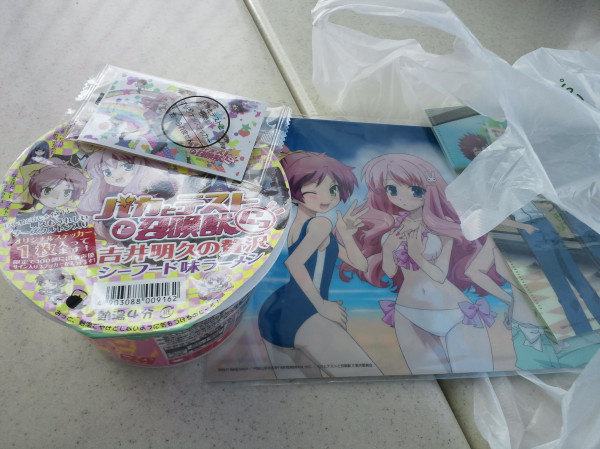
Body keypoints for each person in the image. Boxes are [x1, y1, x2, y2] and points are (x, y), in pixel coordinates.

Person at [340, 154, 497, 374]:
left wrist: (417, 255)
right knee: (426, 377)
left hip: (454, 311)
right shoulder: (395, 227)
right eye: (392, 189)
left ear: (429, 189)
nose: (402, 198)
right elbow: (390, 272)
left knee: (476, 375)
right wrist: (388, 249)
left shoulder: (443, 225)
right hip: (407, 311)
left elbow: (440, 275)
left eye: (414, 190)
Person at [257, 151, 382, 378]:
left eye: (333, 189)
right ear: (293, 192)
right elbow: (294, 263)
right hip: (306, 311)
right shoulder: (320, 224)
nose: (327, 197)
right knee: (367, 377)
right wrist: (322, 305)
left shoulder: (300, 227)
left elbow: (360, 264)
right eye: (314, 190)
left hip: (274, 313)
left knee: (302, 390)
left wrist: (346, 234)